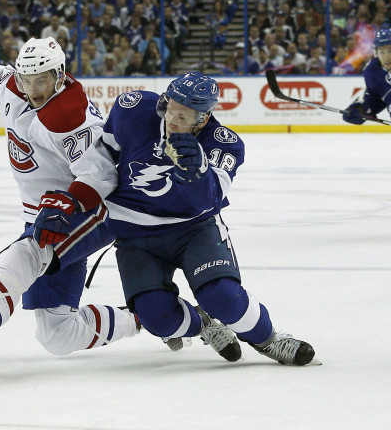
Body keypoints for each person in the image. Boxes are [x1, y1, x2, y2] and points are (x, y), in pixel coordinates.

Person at [0, 38, 233, 376]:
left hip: (89, 208)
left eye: (42, 80)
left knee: (29, 253)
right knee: (56, 335)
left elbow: (103, 173)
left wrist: (67, 201)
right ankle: (150, 317)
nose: (33, 89)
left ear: (60, 74)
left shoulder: (70, 118)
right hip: (47, 211)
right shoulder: (15, 85)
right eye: (26, 79)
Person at [33, 72, 317, 366]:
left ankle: (269, 340)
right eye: (170, 110)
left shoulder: (223, 144)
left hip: (195, 230)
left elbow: (211, 198)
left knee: (221, 296)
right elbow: (101, 159)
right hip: (135, 235)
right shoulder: (133, 110)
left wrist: (198, 172)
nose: (173, 120)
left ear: (203, 119)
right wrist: (75, 196)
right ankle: (204, 325)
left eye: (184, 116)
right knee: (156, 317)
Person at [343, 28, 391, 124]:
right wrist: (361, 109)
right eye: (382, 52)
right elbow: (376, 99)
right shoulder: (373, 72)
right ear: (376, 53)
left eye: (390, 51)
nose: (386, 56)